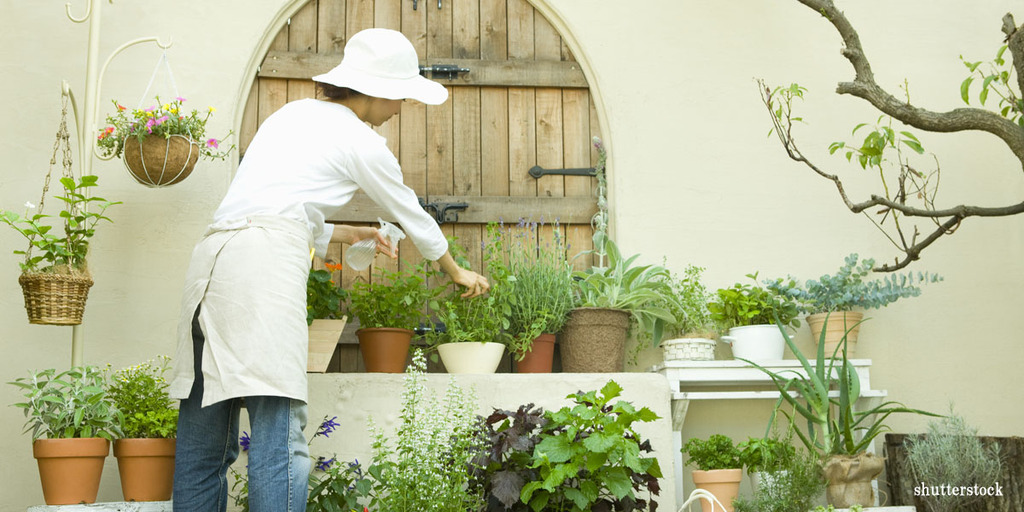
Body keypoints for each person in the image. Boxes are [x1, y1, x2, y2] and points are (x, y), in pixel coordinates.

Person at [167, 28, 490, 512]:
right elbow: (411, 212)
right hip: (261, 277)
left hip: (211, 267)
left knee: (203, 446)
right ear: (377, 90)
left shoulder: (291, 114)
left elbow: (272, 203)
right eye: (401, 94)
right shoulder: (363, 142)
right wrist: (455, 269)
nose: (401, 106)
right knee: (279, 440)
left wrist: (343, 234)